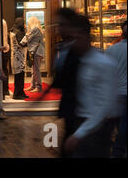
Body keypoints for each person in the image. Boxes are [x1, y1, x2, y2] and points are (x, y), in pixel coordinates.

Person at [52, 9, 118, 158]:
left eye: (76, 37)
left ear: (85, 36)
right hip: (81, 122)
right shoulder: (79, 59)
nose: (73, 42)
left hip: (95, 128)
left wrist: (80, 133)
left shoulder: (102, 63)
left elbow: (105, 105)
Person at [105, 20, 127, 158]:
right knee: (124, 124)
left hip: (114, 91)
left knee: (117, 123)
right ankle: (118, 150)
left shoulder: (112, 49)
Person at [22, 16, 45, 93]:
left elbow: (26, 39)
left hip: (36, 52)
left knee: (36, 70)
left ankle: (38, 87)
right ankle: (33, 86)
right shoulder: (38, 29)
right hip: (37, 52)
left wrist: (24, 38)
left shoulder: (35, 29)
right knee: (34, 70)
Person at [10, 18, 29, 100]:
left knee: (19, 76)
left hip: (16, 56)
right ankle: (17, 94)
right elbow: (22, 44)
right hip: (19, 57)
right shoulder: (18, 32)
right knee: (19, 76)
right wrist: (27, 33)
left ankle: (20, 92)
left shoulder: (13, 31)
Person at [1, 19, 11, 97]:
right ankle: (5, 89)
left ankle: (4, 89)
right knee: (5, 70)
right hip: (5, 49)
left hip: (2, 49)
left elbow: (3, 36)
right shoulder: (4, 21)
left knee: (3, 70)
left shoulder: (1, 22)